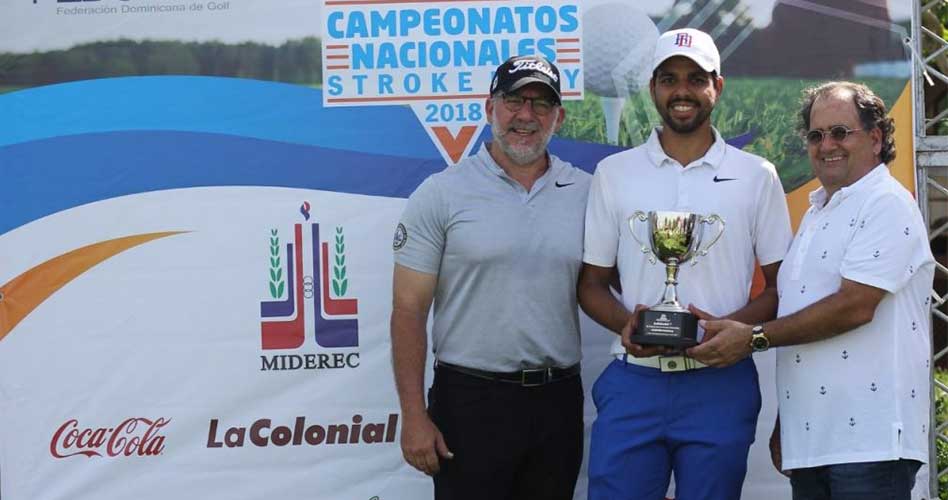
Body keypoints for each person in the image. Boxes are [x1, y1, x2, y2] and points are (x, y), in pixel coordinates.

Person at [578, 28, 793, 499]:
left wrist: (726, 331)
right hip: (635, 381)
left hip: (720, 382)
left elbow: (782, 289)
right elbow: (591, 284)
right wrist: (629, 324)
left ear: (718, 86)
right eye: (669, 78)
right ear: (653, 87)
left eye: (696, 78)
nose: (682, 91)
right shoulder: (615, 174)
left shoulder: (757, 176)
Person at [700, 81, 935, 499]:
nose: (827, 144)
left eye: (840, 132)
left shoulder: (886, 202)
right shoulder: (816, 212)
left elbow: (854, 307)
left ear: (876, 138)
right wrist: (785, 421)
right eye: (816, 135)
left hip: (871, 445)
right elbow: (803, 320)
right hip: (813, 444)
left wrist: (753, 338)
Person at [389, 54, 590, 500]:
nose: (526, 115)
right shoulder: (442, 192)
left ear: (559, 117)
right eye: (514, 99)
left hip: (557, 401)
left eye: (542, 104)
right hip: (469, 400)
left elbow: (604, 284)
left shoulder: (587, 192)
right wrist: (414, 415)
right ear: (489, 107)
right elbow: (408, 309)